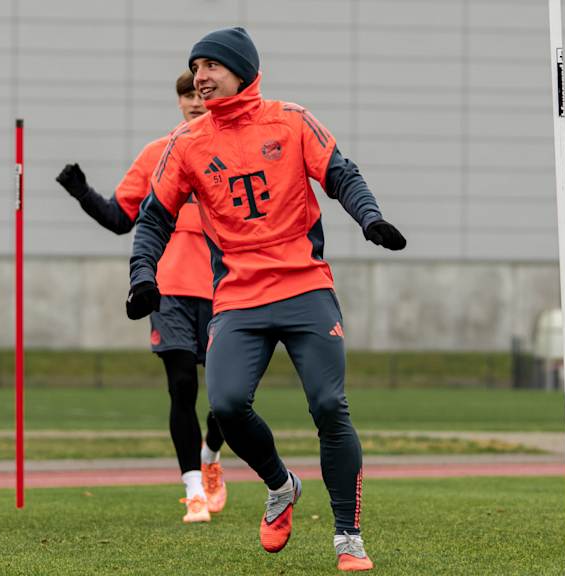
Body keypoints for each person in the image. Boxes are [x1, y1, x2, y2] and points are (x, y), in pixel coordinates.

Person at [128, 27, 406, 572]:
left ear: (242, 69)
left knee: (330, 407)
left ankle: (348, 537)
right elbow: (153, 218)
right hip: (238, 295)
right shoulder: (186, 143)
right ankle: (281, 485)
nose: (201, 77)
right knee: (227, 406)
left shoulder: (292, 120)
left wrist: (370, 218)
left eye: (210, 65)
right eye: (195, 67)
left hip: (306, 288)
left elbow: (342, 174)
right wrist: (143, 274)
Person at [56, 71, 227, 523]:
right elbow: (119, 217)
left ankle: (210, 458)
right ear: (178, 102)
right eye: (186, 95)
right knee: (182, 387)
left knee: (229, 399)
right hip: (168, 291)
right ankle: (193, 489)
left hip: (226, 288)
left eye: (200, 93)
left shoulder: (233, 150)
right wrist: (81, 192)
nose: (194, 101)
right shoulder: (159, 153)